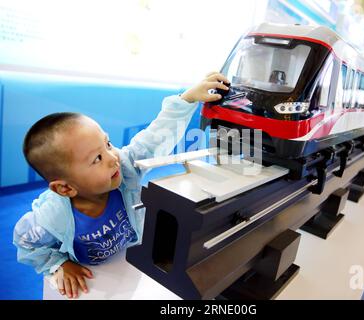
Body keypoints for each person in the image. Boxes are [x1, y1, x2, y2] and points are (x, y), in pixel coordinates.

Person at [13, 72, 230, 299]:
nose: (112, 157)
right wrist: (58, 263)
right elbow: (26, 242)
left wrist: (187, 99)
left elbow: (154, 138)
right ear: (66, 189)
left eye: (108, 143)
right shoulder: (51, 217)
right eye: (97, 158)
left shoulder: (124, 168)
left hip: (130, 257)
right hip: (97, 277)